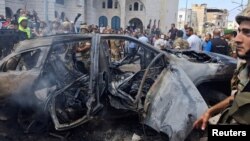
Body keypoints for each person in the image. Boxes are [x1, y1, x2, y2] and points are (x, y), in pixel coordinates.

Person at [193, 6, 250, 131]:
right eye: (239, 31)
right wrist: (211, 111)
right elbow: (238, 97)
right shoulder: (245, 68)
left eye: (247, 32)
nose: (237, 39)